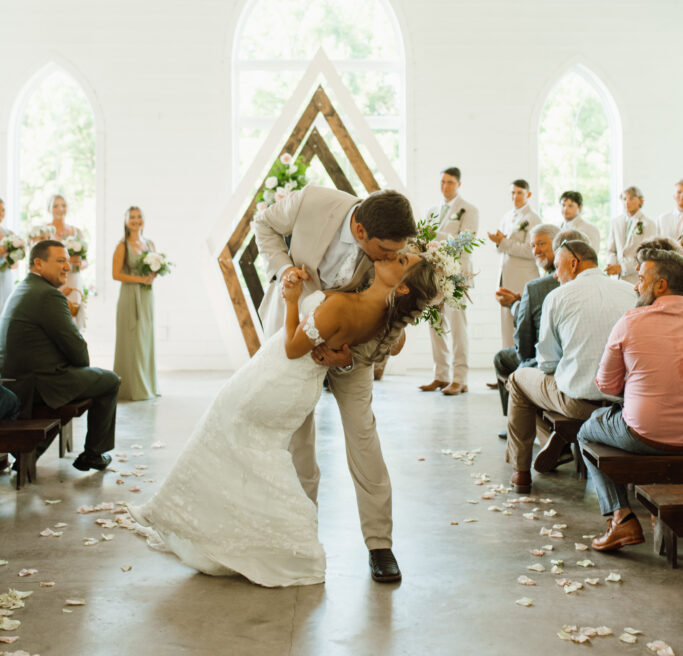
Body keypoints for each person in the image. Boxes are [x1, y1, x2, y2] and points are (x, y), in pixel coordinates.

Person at [130, 250, 439, 587]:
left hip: (279, 378)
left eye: (402, 259)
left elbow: (294, 348)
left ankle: (295, 541)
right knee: (258, 456)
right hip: (293, 381)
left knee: (233, 443)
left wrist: (292, 300)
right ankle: (250, 535)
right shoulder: (377, 308)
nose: (393, 253)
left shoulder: (355, 300)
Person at [253, 186, 416, 583]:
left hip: (356, 347)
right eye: (382, 250)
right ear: (359, 230)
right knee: (298, 435)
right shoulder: (312, 201)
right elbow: (264, 223)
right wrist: (282, 268)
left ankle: (380, 543)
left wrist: (352, 356)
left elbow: (394, 319)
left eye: (396, 251)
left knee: (363, 434)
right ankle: (302, 532)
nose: (390, 258)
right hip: (296, 329)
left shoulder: (396, 244)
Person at [505, 236, 635, 494]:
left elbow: (547, 362)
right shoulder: (631, 291)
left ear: (574, 264)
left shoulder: (557, 296)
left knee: (519, 380)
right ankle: (559, 440)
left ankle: (521, 472)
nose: (555, 275)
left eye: (558, 266)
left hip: (579, 405)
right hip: (626, 404)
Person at [578, 239, 683, 552]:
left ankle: (621, 517)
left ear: (660, 285)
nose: (637, 286)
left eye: (641, 279)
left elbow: (607, 387)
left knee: (588, 430)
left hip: (644, 434)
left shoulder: (631, 321)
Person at [0, 239, 119, 471]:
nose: (67, 266)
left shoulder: (24, 288)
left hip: (16, 380)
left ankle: (33, 452)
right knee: (110, 380)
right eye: (60, 261)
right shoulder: (48, 296)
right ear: (38, 263)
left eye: (67, 261)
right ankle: (93, 454)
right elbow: (79, 353)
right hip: (39, 384)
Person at [492, 223, 562, 425]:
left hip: (547, 361)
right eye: (533, 246)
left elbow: (524, 343)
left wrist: (514, 305)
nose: (536, 250)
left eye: (541, 244)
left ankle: (516, 421)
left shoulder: (539, 285)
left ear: (558, 246)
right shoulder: (541, 283)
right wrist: (521, 302)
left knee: (503, 358)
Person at [419, 166, 479, 395]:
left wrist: (437, 238)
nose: (445, 186)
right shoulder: (432, 210)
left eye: (450, 182)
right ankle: (441, 375)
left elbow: (465, 240)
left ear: (459, 184)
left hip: (457, 275)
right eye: (442, 182)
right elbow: (424, 239)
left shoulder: (469, 210)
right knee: (435, 326)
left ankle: (460, 379)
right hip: (434, 275)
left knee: (457, 327)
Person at [113, 206, 159, 402]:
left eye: (139, 217)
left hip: (147, 296)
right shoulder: (122, 245)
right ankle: (131, 388)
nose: (136, 220)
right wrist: (140, 280)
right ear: (125, 221)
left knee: (145, 338)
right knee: (131, 339)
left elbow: (155, 267)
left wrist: (152, 275)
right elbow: (116, 274)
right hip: (130, 295)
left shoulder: (149, 243)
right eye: (131, 217)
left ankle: (148, 385)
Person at [488, 179, 541, 348]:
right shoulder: (506, 216)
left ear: (528, 195)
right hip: (506, 276)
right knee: (506, 326)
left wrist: (504, 242)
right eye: (512, 193)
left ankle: (522, 366)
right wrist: (498, 242)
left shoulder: (533, 219)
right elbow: (502, 249)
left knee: (522, 323)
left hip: (523, 278)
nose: (515, 196)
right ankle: (507, 365)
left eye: (519, 193)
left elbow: (530, 251)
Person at [31, 194, 89, 331]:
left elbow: (86, 261)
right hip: (53, 278)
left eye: (63, 205)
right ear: (49, 209)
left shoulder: (76, 232)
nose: (60, 209)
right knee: (54, 313)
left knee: (73, 315)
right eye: (56, 206)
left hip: (73, 278)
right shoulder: (44, 231)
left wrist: (80, 264)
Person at [606, 186, 657, 285]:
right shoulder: (616, 222)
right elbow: (611, 250)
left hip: (637, 279)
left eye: (631, 198)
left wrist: (623, 268)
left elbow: (647, 255)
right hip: (617, 280)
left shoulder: (648, 224)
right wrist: (612, 264)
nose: (627, 202)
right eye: (624, 199)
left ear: (640, 201)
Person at [559, 190, 600, 255]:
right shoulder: (558, 228)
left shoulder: (590, 229)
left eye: (570, 206)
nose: (565, 209)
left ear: (580, 207)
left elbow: (593, 254)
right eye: (563, 205)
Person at [0, 198, 22, 316]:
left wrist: (11, 260)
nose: (1, 213)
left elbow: (15, 265)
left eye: (3, 210)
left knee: (6, 309)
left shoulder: (10, 234)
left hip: (6, 277)